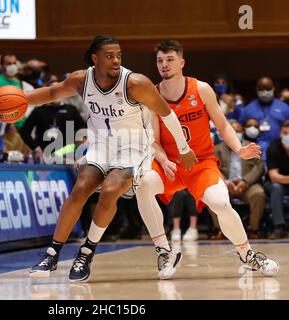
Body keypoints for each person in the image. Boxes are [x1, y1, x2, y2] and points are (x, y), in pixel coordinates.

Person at [28, 35, 197, 282]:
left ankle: (86, 253)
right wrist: (22, 102)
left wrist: (183, 148)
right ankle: (52, 254)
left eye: (118, 55)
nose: (116, 60)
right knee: (81, 189)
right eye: (109, 56)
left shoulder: (135, 83)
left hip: (134, 147)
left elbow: (168, 114)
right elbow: (53, 92)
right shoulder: (81, 79)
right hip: (101, 144)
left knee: (110, 189)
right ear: (95, 59)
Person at [135, 40, 279, 278]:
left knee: (221, 203)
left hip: (201, 163)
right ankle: (164, 252)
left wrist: (239, 148)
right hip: (170, 164)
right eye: (160, 60)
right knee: (142, 184)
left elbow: (222, 125)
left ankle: (248, 255)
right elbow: (154, 140)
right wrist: (163, 160)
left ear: (181, 62)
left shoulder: (201, 89)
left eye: (170, 59)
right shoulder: (153, 95)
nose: (164, 65)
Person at [215, 120, 266, 239]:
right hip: (225, 184)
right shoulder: (217, 149)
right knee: (213, 195)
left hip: (248, 184)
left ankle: (253, 229)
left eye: (238, 131)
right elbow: (212, 168)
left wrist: (245, 182)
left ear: (242, 132)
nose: (236, 133)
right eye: (232, 131)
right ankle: (220, 229)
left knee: (259, 194)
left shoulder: (252, 146)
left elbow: (260, 166)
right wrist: (226, 182)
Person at [240, 77, 289, 155]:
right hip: (254, 151)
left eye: (267, 89)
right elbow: (240, 128)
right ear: (257, 89)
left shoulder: (284, 108)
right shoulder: (248, 109)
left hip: (280, 150)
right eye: (262, 89)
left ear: (273, 88)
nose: (265, 92)